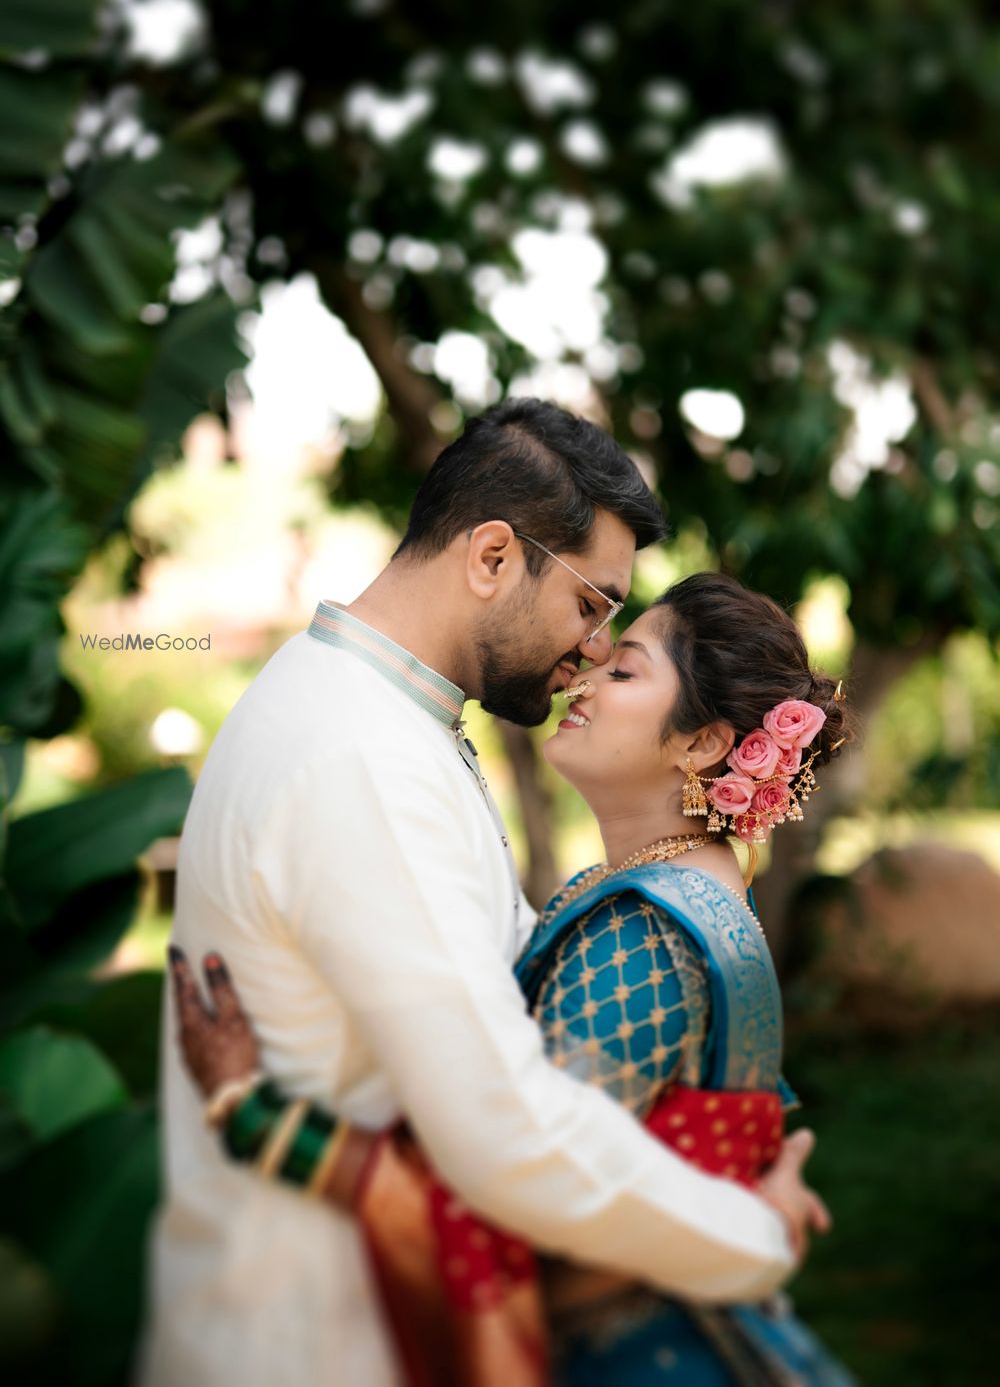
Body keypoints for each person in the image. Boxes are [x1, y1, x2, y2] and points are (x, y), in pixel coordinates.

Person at [142, 400, 824, 1387]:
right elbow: (505, 1129)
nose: (596, 648)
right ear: (494, 557)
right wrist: (753, 1234)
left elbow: (511, 983)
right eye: (591, 605)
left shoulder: (383, 717)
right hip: (311, 1342)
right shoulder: (361, 753)